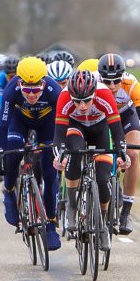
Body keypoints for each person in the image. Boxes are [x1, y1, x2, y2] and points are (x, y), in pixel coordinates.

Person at [52, 70, 131, 251]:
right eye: (77, 101)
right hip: (75, 128)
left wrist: (122, 155)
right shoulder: (64, 97)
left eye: (87, 100)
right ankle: (72, 206)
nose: (82, 106)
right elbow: (58, 137)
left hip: (99, 129)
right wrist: (59, 156)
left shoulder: (104, 94)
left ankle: (102, 223)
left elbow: (117, 132)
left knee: (103, 179)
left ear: (94, 93)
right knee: (74, 153)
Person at [0, 56, 62, 250]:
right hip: (20, 122)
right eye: (27, 90)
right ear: (19, 83)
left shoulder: (54, 91)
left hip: (48, 125)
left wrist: (58, 147)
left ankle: (50, 224)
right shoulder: (11, 90)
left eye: (36, 90)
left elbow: (62, 124)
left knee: (50, 172)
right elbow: (2, 125)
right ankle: (8, 191)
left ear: (44, 82)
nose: (31, 95)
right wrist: (0, 152)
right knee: (12, 154)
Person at [98, 53, 140, 234]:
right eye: (107, 81)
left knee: (133, 154)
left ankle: (126, 212)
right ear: (100, 77)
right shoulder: (94, 83)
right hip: (103, 118)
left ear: (123, 76)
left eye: (116, 81)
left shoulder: (132, 84)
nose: (112, 86)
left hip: (126, 116)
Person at [0, 55, 18, 124]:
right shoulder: (0, 79)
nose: (13, 79)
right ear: (5, 74)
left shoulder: (24, 78)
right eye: (10, 76)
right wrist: (0, 124)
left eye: (15, 75)